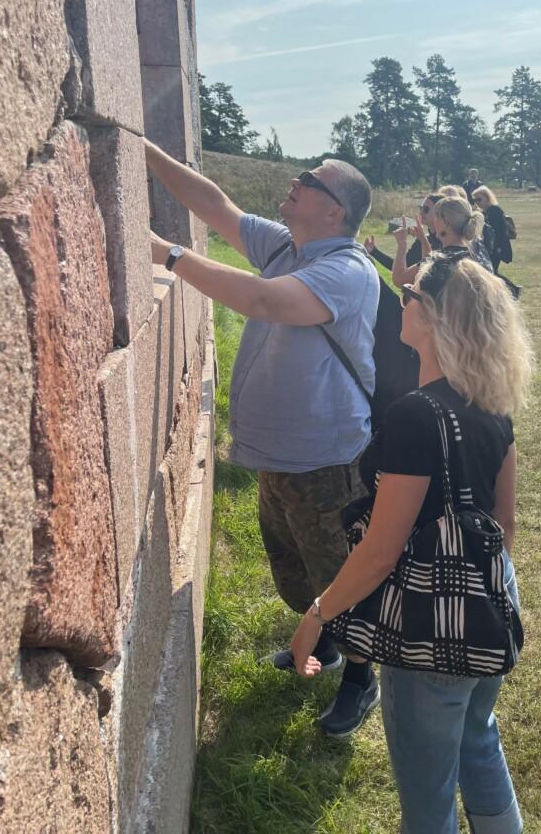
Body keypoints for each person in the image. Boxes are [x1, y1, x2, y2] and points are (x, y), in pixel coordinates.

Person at [290, 253, 533, 834]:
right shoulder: (492, 406)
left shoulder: (416, 417)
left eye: (411, 295)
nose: (402, 299)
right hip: (490, 609)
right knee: (479, 742)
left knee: (427, 800)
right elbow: (505, 526)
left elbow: (380, 551)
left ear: (435, 318)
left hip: (432, 629)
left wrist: (318, 614)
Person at [145, 142, 381, 734]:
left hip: (325, 459)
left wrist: (167, 254)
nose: (296, 181)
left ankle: (361, 677)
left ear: (337, 213)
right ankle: (322, 647)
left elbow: (262, 300)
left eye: (311, 180)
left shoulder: (347, 271)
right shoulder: (285, 244)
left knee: (339, 572)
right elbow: (215, 204)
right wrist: (144, 149)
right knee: (293, 567)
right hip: (279, 456)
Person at [391, 197, 491, 287]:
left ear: (445, 223)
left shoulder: (439, 263)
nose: (435, 220)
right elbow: (427, 263)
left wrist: (402, 243)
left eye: (437, 216)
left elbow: (399, 279)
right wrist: (423, 239)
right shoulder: (477, 252)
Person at [364, 193, 442, 270]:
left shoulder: (446, 241)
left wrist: (402, 244)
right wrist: (374, 251)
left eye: (426, 209)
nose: (421, 212)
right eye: (420, 208)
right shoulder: (422, 239)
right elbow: (401, 267)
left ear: (439, 213)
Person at [473, 185, 512, 274]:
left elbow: (499, 232)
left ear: (487, 198)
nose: (477, 202)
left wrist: (497, 248)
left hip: (496, 247)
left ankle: (513, 288)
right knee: (490, 272)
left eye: (479, 199)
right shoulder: (483, 212)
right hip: (488, 247)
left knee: (491, 272)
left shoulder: (494, 211)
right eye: (475, 200)